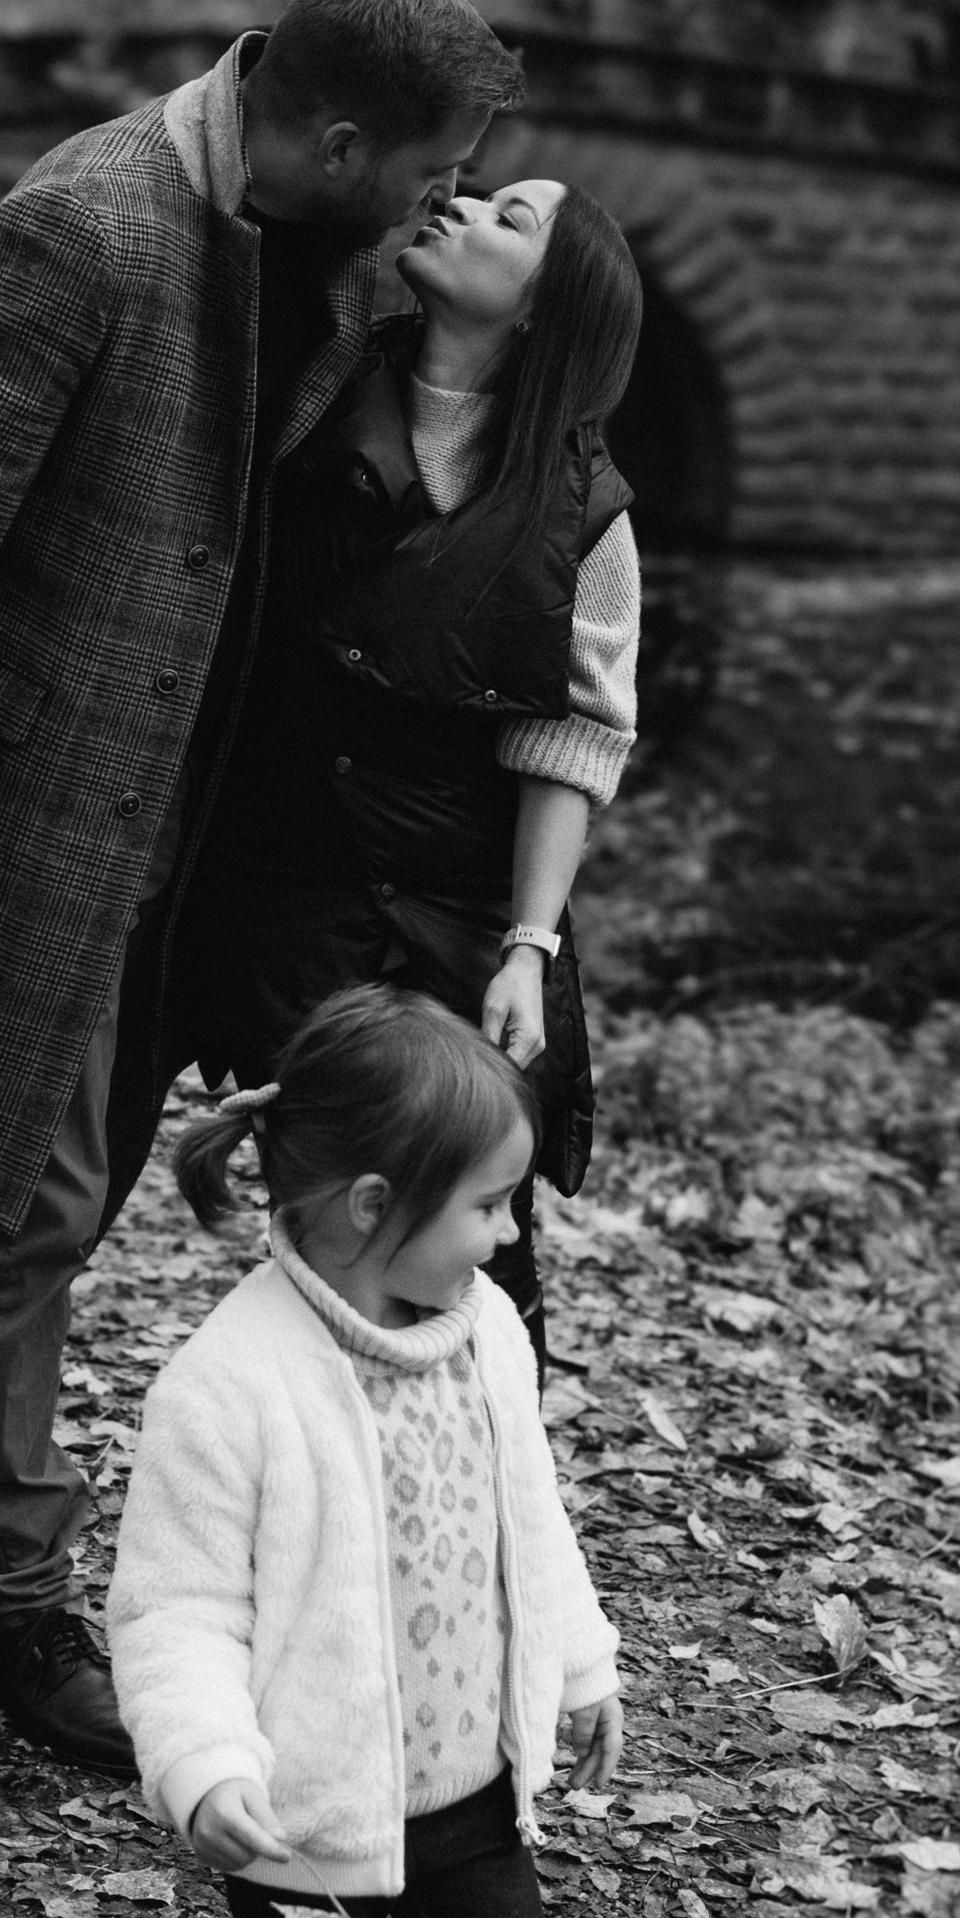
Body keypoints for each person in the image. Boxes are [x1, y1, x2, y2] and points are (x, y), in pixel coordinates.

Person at [0, 0, 527, 1772]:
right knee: (36, 1194)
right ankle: (16, 1607)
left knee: (73, 1187)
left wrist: (482, 334)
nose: (438, 209)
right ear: (336, 135)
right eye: (426, 173)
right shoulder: (88, 224)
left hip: (207, 824)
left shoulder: (346, 251)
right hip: (42, 805)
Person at [107, 986, 621, 1918]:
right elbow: (177, 1607)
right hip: (312, 1811)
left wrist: (581, 1663)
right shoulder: (234, 1383)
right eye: (490, 1207)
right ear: (371, 1206)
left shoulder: (485, 1338)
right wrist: (202, 1758)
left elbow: (534, 1522)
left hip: (468, 1779)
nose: (509, 1238)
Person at [169, 174, 643, 1374]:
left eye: (510, 220)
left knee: (475, 1221)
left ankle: (486, 1494)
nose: (463, 204)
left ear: (546, 308)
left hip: (456, 905)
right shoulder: (311, 393)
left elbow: (572, 743)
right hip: (280, 880)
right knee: (332, 1211)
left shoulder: (583, 507)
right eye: (475, 191)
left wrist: (527, 951)